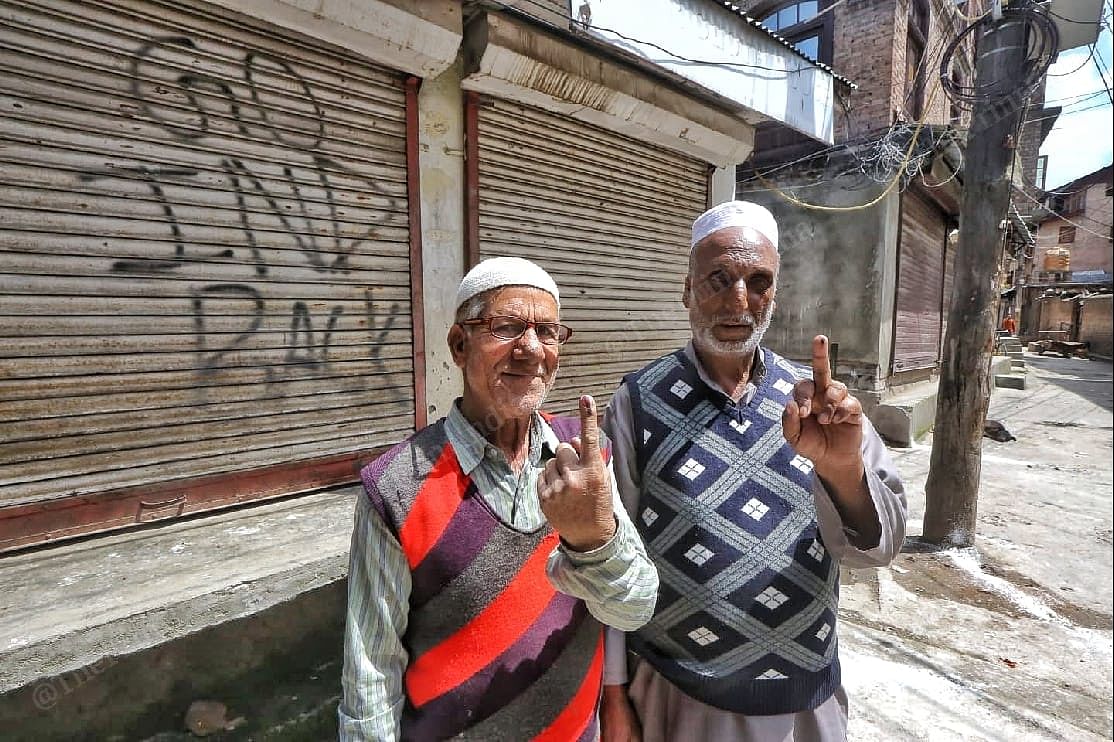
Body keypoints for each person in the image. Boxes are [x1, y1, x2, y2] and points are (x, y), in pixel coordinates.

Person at [599, 201, 907, 742]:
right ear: (687, 289)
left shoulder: (818, 404)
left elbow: (876, 549)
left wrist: (842, 472)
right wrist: (614, 692)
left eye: (757, 281)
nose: (737, 301)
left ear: (774, 295)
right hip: (677, 695)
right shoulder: (636, 402)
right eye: (718, 279)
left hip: (802, 703)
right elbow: (611, 558)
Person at [340, 256, 659, 741]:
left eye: (548, 332)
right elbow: (371, 679)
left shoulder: (585, 461)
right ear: (458, 345)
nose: (531, 349)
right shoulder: (397, 485)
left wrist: (592, 540)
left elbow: (633, 608)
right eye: (506, 327)